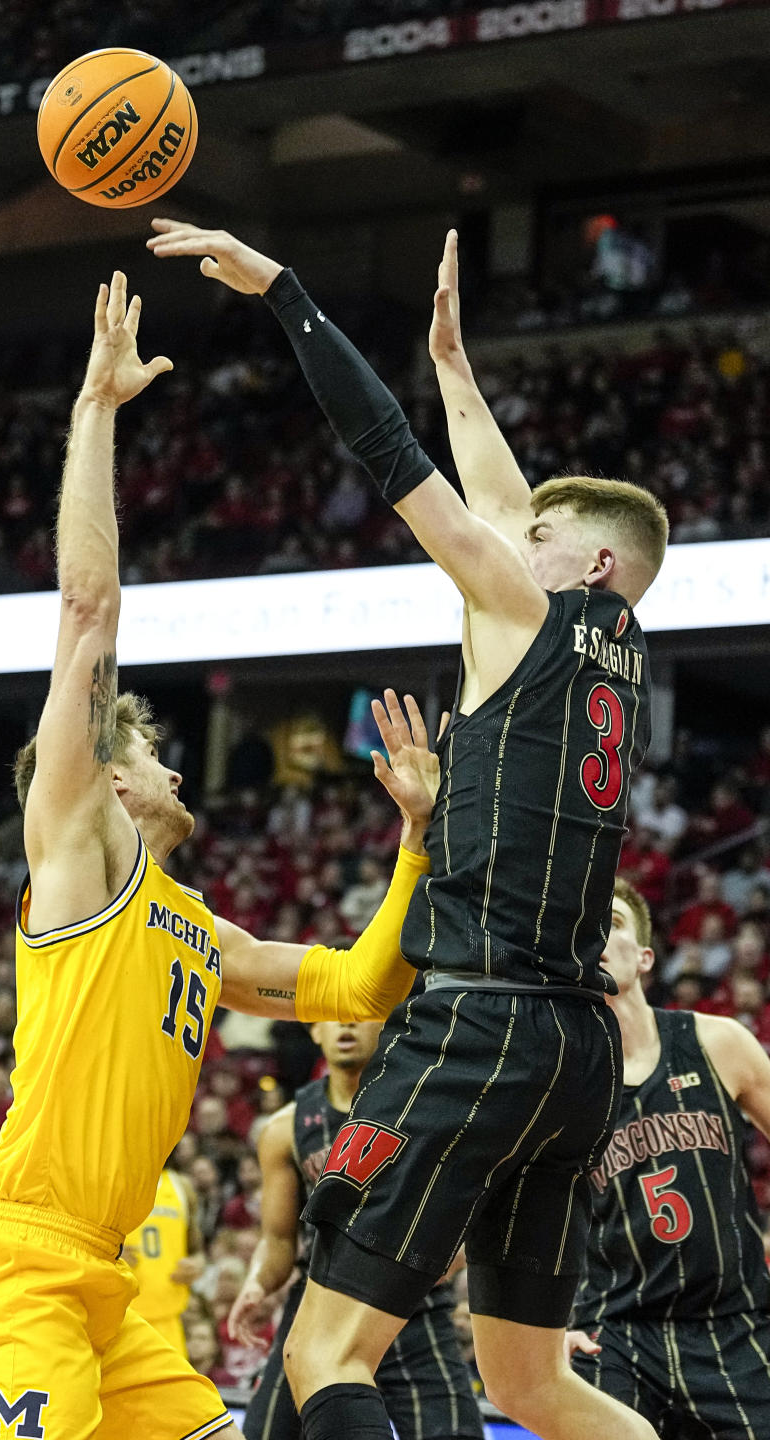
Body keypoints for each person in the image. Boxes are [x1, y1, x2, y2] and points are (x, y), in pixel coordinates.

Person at [149, 220, 669, 1440]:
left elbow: (387, 454)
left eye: (534, 535)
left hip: (481, 1021)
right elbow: (499, 493)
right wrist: (456, 367)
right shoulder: (619, 646)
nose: (506, 535)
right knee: (532, 1388)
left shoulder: (516, 602)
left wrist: (285, 292)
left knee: (329, 1349)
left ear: (587, 561)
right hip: (577, 1052)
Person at [0, 271, 445, 1440]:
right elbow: (87, 608)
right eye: (156, 753)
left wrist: (414, 842)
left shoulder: (200, 932)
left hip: (111, 1290)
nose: (176, 771)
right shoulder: (77, 857)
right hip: (18, 1267)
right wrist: (97, 411)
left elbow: (360, 987)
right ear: (113, 783)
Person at [566, 878, 770, 1436]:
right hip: (612, 1334)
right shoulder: (555, 1084)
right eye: (579, 925)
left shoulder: (719, 1043)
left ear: (646, 956)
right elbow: (515, 1217)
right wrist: (544, 1328)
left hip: (734, 1324)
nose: (594, 934)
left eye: (611, 921)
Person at [230, 1019, 483, 1440]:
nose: (346, 1021)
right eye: (334, 1012)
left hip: (411, 1308)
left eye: (362, 1011)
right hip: (317, 1309)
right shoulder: (284, 1128)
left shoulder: (430, 1110)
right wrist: (257, 1284)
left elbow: (472, 1213)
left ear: (388, 1026)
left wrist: (452, 1254)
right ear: (314, 1031)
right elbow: (277, 1241)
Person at [126, 1167, 206, 1355]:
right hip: (118, 1317)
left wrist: (195, 1266)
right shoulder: (107, 1179)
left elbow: (197, 1252)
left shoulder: (180, 1186)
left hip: (169, 1320)